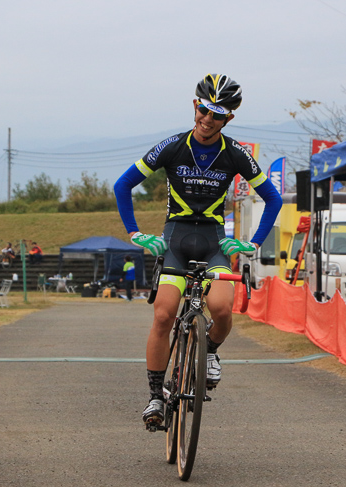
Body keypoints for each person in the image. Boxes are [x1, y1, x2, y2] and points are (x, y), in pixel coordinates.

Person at [113, 73, 282, 429]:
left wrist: (251, 242)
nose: (207, 120)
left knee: (221, 309)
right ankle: (156, 395)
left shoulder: (236, 153)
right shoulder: (172, 146)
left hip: (213, 241)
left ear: (228, 119)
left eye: (217, 115)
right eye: (204, 110)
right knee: (163, 315)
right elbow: (123, 184)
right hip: (175, 239)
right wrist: (136, 234)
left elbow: (273, 198)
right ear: (195, 105)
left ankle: (211, 352)